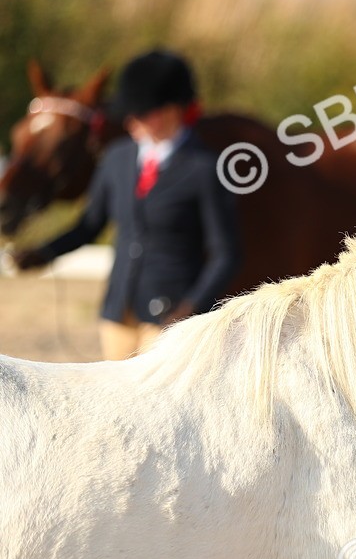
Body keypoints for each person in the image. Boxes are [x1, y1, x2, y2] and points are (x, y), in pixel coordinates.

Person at [14, 50, 241, 360]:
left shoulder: (203, 169)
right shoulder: (117, 159)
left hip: (171, 317)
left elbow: (225, 253)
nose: (132, 120)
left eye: (143, 113)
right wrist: (44, 253)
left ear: (173, 110)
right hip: (119, 311)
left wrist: (191, 306)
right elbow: (90, 225)